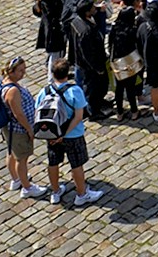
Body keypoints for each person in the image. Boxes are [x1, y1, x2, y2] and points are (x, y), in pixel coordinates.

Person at [39, 58, 103, 207]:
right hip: (73, 135)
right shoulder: (74, 91)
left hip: (52, 135)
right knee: (76, 164)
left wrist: (56, 135)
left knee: (53, 162)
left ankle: (55, 192)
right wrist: (65, 133)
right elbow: (78, 117)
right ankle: (81, 194)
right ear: (67, 74)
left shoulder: (44, 91)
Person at [0, 57, 47, 198]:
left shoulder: (4, 83)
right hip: (19, 129)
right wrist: (29, 129)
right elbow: (18, 113)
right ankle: (27, 187)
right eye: (20, 71)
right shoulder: (13, 90)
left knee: (12, 153)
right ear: (11, 71)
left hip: (10, 129)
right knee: (22, 159)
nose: (23, 73)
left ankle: (16, 179)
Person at [67, 0, 110, 122]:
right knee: (92, 89)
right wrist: (98, 68)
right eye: (92, 7)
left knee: (97, 87)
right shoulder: (86, 31)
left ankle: (98, 103)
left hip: (83, 62)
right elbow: (88, 53)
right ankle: (93, 112)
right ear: (86, 12)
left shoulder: (76, 21)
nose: (94, 8)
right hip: (89, 66)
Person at [109, 0, 143, 119]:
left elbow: (110, 43)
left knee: (119, 88)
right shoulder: (132, 30)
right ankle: (134, 111)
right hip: (129, 61)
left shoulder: (115, 28)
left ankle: (119, 113)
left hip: (117, 61)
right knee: (130, 88)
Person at [32, 0, 67, 82]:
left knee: (60, 53)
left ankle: (59, 73)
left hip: (58, 27)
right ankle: (51, 79)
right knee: (54, 56)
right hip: (54, 30)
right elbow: (51, 16)